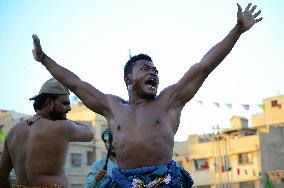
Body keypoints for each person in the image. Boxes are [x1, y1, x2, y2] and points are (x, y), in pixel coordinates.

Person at [31, 3, 262, 187]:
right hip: (124, 182)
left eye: (155, 71)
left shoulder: (169, 101)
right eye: (145, 69)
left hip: (167, 181)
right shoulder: (112, 106)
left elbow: (203, 67)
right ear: (128, 79)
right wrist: (43, 59)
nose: (153, 73)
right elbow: (75, 83)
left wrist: (238, 30)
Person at [0, 78, 94, 188]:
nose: (69, 109)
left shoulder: (13, 132)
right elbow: (89, 133)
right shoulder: (62, 126)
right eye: (65, 103)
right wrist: (65, 119)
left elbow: (2, 175)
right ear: (50, 103)